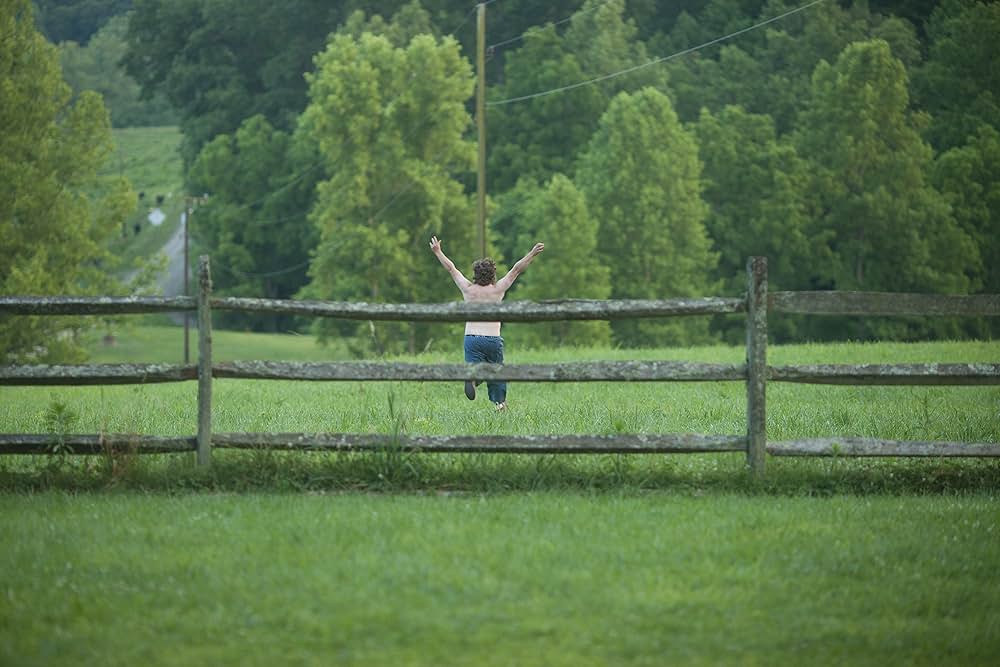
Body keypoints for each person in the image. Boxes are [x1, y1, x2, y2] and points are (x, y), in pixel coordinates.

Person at [429, 236, 545, 411]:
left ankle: (473, 378)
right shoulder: (497, 290)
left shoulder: (468, 290)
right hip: (492, 338)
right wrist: (532, 254)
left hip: (472, 338)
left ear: (475, 275)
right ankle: (500, 404)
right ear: (493, 275)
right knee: (497, 372)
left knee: (475, 368)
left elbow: (451, 269)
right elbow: (515, 270)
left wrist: (438, 251)